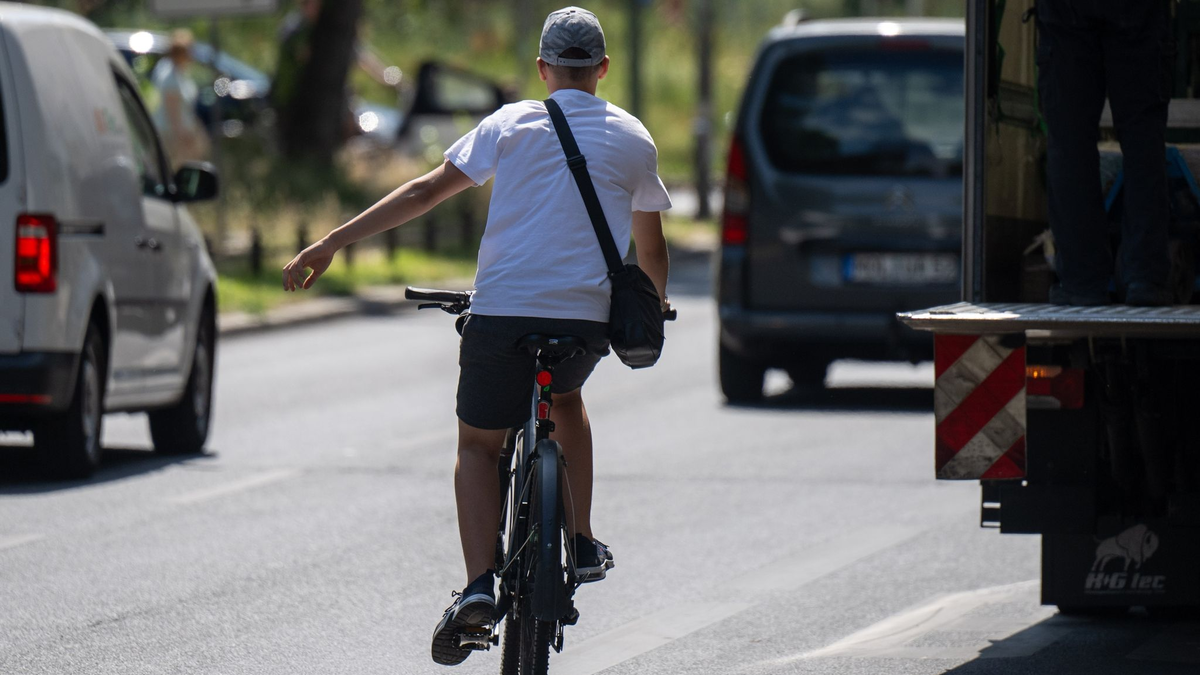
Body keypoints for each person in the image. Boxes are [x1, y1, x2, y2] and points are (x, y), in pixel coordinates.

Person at [281, 6, 672, 666]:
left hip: (502, 317)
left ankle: (480, 582)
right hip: (583, 324)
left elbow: (425, 190)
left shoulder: (511, 122)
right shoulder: (634, 139)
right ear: (602, 69)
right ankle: (578, 537)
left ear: (543, 69)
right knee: (568, 401)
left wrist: (332, 240)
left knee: (478, 445)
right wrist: (654, 307)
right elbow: (652, 253)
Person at [1037, 1, 1172, 306]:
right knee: (1142, 140)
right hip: (1137, 12)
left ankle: (1082, 282)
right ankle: (1143, 277)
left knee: (1070, 143)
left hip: (1065, 13)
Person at [151, 29, 210, 169]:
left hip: (181, 132)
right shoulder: (170, 77)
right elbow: (173, 114)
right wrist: (181, 138)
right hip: (173, 135)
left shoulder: (177, 72)